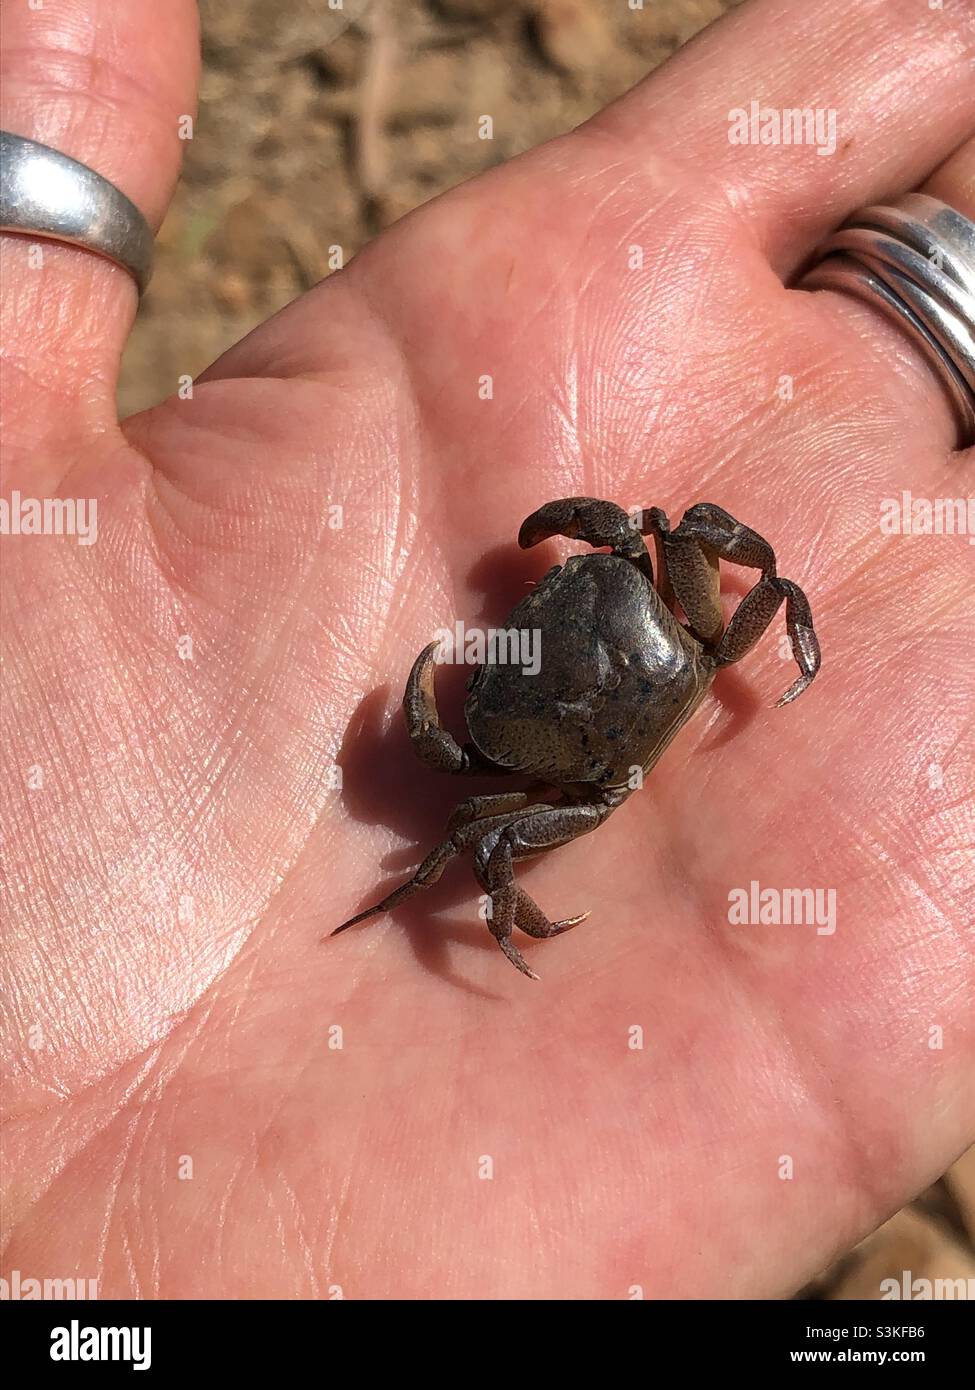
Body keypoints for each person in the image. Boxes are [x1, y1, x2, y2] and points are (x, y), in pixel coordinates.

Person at [1, 0, 972, 1299]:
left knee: (487, 823)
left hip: (594, 725)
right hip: (626, 712)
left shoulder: (623, 611)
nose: (600, 547)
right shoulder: (657, 616)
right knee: (484, 828)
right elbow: (702, 585)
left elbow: (753, 572)